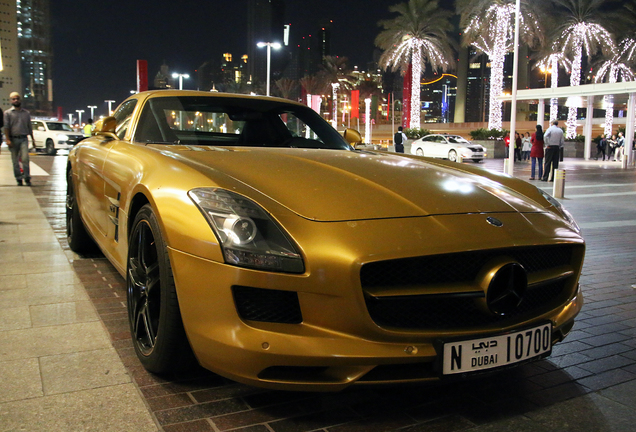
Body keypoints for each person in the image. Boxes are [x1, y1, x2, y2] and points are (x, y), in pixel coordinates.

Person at [3, 92, 35, 186]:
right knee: (15, 161)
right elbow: (6, 127)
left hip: (24, 139)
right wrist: (8, 139)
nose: (16, 100)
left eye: (17, 98)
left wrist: (33, 139)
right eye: (13, 99)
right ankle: (18, 178)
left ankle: (27, 177)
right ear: (10, 101)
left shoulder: (26, 113)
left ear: (20, 100)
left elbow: (29, 127)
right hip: (13, 140)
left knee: (25, 158)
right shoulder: (7, 113)